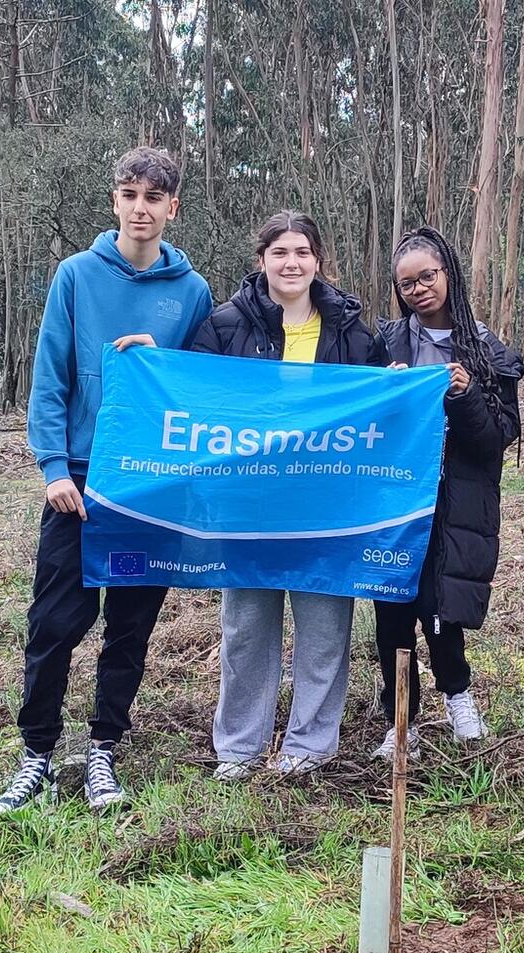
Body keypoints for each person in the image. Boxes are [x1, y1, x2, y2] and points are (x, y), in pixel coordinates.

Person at [0, 146, 214, 818]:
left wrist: (161, 360)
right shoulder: (75, 276)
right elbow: (50, 378)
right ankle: (36, 754)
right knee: (55, 622)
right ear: (115, 201)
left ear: (173, 208)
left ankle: (103, 750)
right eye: (130, 195)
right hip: (81, 481)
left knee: (130, 625)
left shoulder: (193, 292)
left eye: (154, 198)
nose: (141, 208)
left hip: (151, 482)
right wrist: (53, 468)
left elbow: (199, 384)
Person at [184, 210, 381, 778]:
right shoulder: (225, 326)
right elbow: (194, 399)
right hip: (248, 507)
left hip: (326, 509)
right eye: (280, 253)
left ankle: (309, 747)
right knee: (245, 631)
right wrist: (153, 359)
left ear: (318, 260)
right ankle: (239, 749)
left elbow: (375, 414)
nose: (291, 263)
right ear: (261, 260)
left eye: (302, 252)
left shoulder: (352, 332)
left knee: (325, 631)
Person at [369, 227, 522, 760]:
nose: (419, 290)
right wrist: (384, 392)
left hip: (455, 503)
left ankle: (458, 696)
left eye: (427, 277)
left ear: (448, 273)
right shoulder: (385, 344)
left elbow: (500, 435)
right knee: (391, 606)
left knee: (441, 605)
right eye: (406, 283)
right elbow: (363, 424)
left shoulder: (485, 349)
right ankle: (400, 721)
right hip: (394, 500)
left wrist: (467, 394)